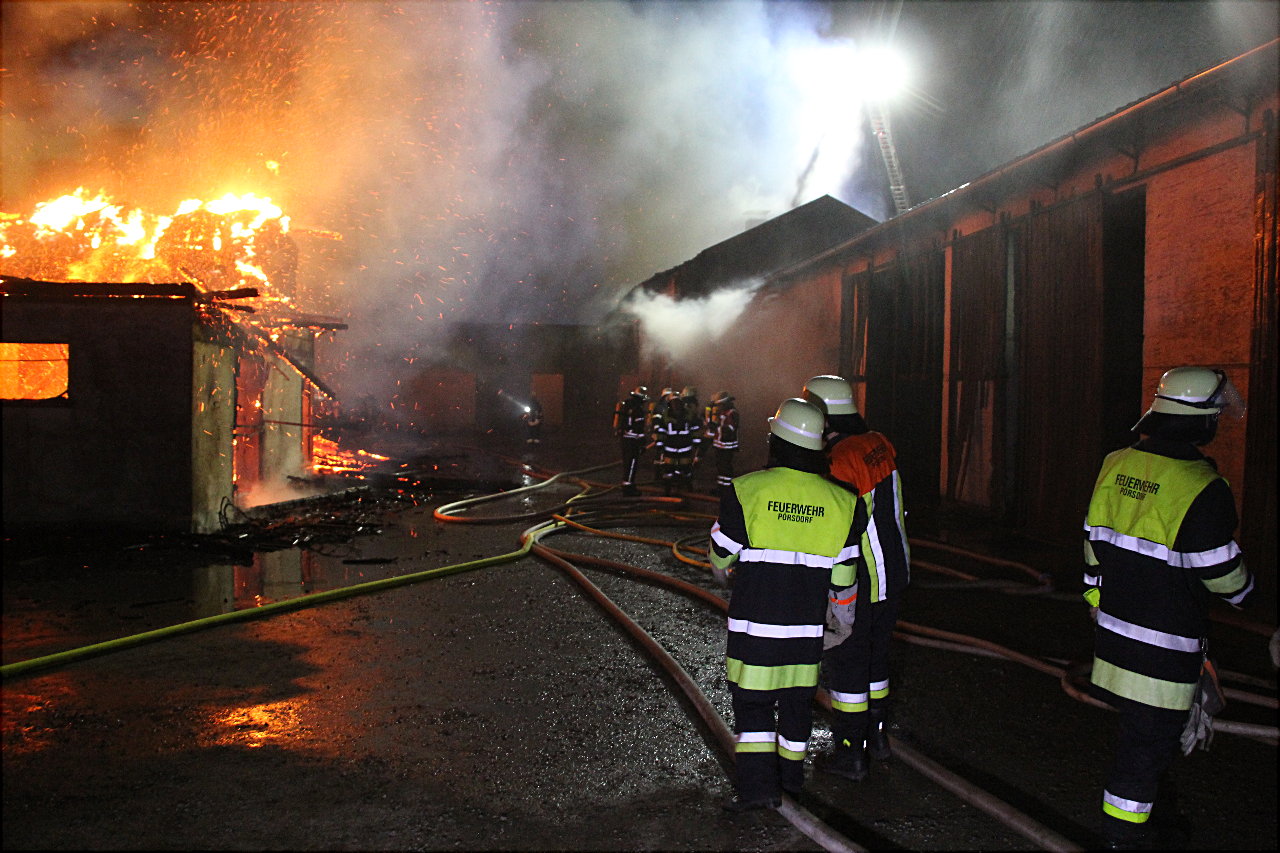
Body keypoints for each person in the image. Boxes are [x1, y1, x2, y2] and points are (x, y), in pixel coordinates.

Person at [1083, 366, 1254, 850]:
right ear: (1204, 421)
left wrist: (1095, 600)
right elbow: (1222, 574)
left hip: (1113, 634)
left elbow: (1093, 542)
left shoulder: (1116, 463)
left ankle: (1144, 821)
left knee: (1138, 737)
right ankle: (1123, 837)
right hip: (1165, 649)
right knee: (1146, 750)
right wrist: (1251, 596)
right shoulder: (1202, 486)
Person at [709, 397, 867, 811]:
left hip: (753, 632)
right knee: (797, 706)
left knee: (754, 706)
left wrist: (726, 564)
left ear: (775, 441)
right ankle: (791, 784)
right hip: (806, 634)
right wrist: (843, 625)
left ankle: (759, 789)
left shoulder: (745, 491)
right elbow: (843, 582)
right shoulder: (845, 503)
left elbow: (720, 556)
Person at [802, 374, 910, 782]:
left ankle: (850, 754)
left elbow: (837, 527)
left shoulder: (839, 460)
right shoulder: (879, 442)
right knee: (877, 659)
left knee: (847, 665)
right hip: (893, 572)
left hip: (859, 578)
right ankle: (877, 738)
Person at [654, 391, 697, 495]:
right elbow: (662, 430)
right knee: (669, 470)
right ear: (670, 403)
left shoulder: (689, 414)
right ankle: (667, 491)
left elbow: (695, 428)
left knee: (685, 469)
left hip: (685, 447)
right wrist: (659, 444)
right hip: (670, 448)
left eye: (677, 402)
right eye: (673, 402)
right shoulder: (665, 415)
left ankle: (687, 489)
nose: (676, 404)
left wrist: (696, 442)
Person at [613, 385, 649, 496]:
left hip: (624, 439)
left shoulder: (626, 405)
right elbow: (639, 428)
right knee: (632, 464)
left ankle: (628, 484)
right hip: (633, 441)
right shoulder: (638, 409)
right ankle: (628, 488)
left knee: (626, 463)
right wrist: (642, 443)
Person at [707, 391, 740, 497]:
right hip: (720, 445)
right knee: (720, 468)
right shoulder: (723, 412)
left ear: (725, 403)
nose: (718, 407)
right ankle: (721, 488)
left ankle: (727, 490)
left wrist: (717, 427)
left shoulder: (732, 413)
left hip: (727, 446)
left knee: (726, 469)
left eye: (720, 405)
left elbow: (730, 429)